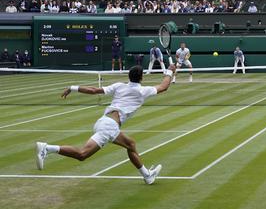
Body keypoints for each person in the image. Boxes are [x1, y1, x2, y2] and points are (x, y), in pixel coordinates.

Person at [35, 64, 177, 185]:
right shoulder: (142, 91)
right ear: (141, 78)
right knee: (82, 154)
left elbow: (94, 90)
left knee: (131, 144)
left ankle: (147, 176)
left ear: (129, 76)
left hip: (103, 122)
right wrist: (170, 70)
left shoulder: (119, 86)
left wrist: (72, 87)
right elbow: (164, 86)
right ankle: (47, 148)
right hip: (108, 127)